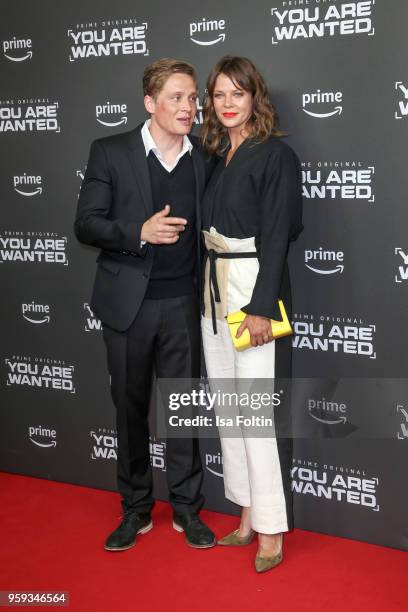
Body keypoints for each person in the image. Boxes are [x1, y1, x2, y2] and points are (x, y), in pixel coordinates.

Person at [74, 58, 216, 551]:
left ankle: (187, 511)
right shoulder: (110, 152)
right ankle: (135, 510)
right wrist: (138, 232)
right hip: (128, 307)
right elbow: (86, 223)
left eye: (192, 97)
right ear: (149, 103)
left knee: (184, 410)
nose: (188, 107)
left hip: (184, 306)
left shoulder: (203, 156)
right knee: (129, 413)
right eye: (176, 97)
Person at [200, 56, 303, 572]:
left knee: (256, 415)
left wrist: (263, 309)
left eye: (237, 94)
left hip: (253, 294)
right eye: (219, 95)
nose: (228, 104)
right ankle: (245, 513)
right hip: (212, 296)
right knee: (228, 411)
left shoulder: (275, 155)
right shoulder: (218, 154)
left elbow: (280, 234)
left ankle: (270, 531)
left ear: (254, 97)